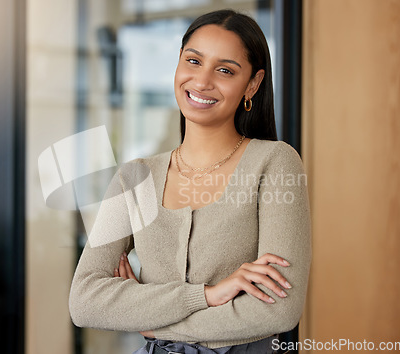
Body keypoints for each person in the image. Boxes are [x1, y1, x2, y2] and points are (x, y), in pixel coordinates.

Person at [69, 9, 311, 354]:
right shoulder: (134, 178)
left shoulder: (275, 163)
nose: (201, 81)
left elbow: (279, 309)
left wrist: (150, 321)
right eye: (193, 61)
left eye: (225, 70)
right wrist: (209, 296)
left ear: (252, 84)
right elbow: (84, 301)